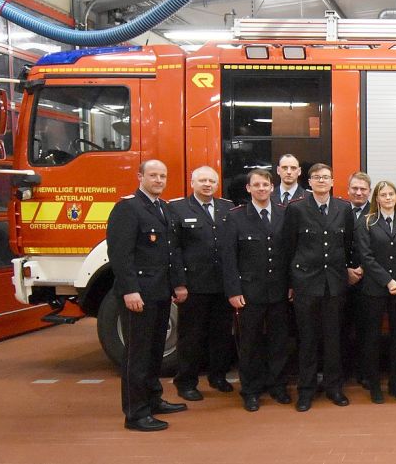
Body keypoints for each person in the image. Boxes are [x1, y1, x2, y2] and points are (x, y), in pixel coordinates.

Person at [106, 159, 187, 432]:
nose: (159, 180)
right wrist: (130, 290)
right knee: (137, 355)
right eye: (153, 175)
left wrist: (177, 285)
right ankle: (135, 413)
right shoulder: (128, 208)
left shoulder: (163, 208)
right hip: (138, 293)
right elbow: (120, 254)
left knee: (154, 353)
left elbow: (171, 252)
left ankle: (153, 399)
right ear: (140, 176)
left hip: (160, 292)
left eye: (163, 176)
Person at [280, 163, 355, 412]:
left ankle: (334, 387)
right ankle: (306, 390)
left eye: (326, 177)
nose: (321, 181)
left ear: (333, 182)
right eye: (316, 177)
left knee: (334, 339)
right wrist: (291, 283)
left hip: (334, 284)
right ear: (309, 182)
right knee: (307, 340)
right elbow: (288, 248)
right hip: (306, 284)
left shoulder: (343, 209)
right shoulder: (296, 209)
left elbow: (349, 244)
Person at [222, 169, 290, 412]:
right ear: (248, 188)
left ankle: (278, 386)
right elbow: (228, 258)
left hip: (280, 291)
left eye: (266, 184)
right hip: (249, 292)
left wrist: (292, 285)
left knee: (279, 342)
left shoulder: (284, 213)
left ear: (273, 188)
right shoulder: (236, 217)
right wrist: (233, 290)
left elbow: (290, 253)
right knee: (250, 344)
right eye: (257, 185)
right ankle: (250, 390)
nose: (262, 188)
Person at [168, 166, 235, 401]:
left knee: (222, 335)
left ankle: (218, 377)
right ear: (192, 182)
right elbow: (173, 250)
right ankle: (186, 382)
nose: (207, 184)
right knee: (191, 337)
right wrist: (179, 284)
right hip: (194, 285)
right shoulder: (177, 208)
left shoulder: (228, 207)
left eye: (212, 181)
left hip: (222, 285)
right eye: (202, 180)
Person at [355, 180, 396, 404]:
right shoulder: (367, 222)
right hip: (375, 289)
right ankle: (374, 385)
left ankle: (395, 383)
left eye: (391, 194)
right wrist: (388, 281)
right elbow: (367, 257)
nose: (388, 198)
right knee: (372, 337)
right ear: (377, 198)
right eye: (384, 194)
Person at [344, 172, 372, 386]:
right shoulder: (339, 211)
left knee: (366, 329)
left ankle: (364, 372)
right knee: (340, 328)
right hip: (341, 280)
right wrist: (346, 270)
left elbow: (380, 247)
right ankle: (343, 372)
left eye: (363, 189)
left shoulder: (377, 212)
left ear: (369, 191)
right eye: (355, 188)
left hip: (368, 281)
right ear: (348, 190)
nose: (359, 192)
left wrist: (360, 270)